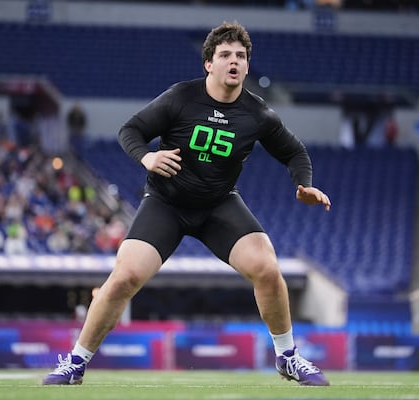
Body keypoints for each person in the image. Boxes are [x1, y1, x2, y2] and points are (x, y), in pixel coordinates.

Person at [43, 21, 332, 387]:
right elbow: (129, 131)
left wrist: (303, 185)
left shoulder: (257, 114)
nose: (234, 61)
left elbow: (295, 153)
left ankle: (288, 357)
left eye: (241, 56)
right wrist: (146, 158)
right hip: (167, 203)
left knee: (267, 268)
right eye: (225, 55)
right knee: (124, 277)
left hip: (217, 205)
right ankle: (75, 363)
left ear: (247, 65)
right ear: (208, 63)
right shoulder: (181, 97)